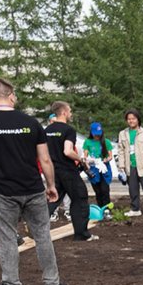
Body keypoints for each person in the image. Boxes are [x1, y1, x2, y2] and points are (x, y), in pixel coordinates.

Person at [0, 76, 65, 285]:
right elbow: (46, 160)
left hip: (3, 191)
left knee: (6, 238)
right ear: (11, 95)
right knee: (42, 235)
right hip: (32, 188)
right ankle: (52, 282)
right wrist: (50, 185)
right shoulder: (31, 123)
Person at [44, 101, 95, 242]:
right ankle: (81, 234)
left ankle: (37, 230)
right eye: (70, 111)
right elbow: (67, 151)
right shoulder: (68, 130)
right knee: (80, 198)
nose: (71, 114)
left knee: (52, 200)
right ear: (64, 112)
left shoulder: (46, 131)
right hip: (68, 170)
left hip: (53, 171)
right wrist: (81, 160)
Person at [118, 110, 143, 217]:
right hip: (130, 166)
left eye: (133, 118)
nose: (131, 121)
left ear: (138, 119)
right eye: (129, 119)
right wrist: (121, 166)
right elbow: (121, 150)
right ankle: (135, 209)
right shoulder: (123, 134)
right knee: (133, 189)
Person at [86, 122, 114, 213]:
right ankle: (100, 209)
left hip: (104, 168)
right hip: (94, 169)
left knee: (105, 190)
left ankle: (107, 209)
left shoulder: (106, 142)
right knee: (97, 191)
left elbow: (110, 156)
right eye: (95, 134)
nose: (97, 136)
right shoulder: (87, 142)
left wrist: (106, 160)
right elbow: (85, 155)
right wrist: (89, 160)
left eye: (99, 134)